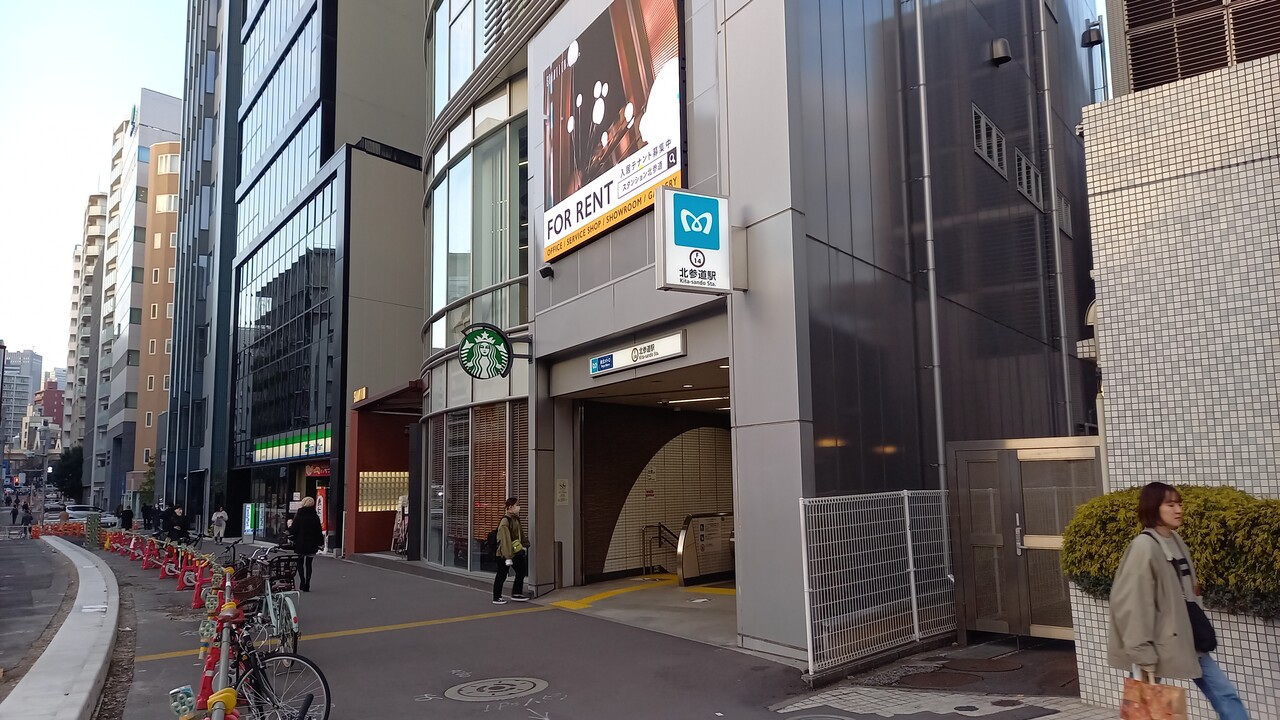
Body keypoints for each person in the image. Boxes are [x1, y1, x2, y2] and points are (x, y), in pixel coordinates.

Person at [1109, 482, 1250, 719]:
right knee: (1144, 707)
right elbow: (1132, 605)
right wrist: (1141, 652)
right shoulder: (1143, 547)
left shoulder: (1175, 540)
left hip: (1187, 637)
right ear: (1154, 507)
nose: (1178, 510)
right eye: (1170, 504)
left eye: (1179, 504)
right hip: (1155, 643)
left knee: (1225, 695)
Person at [492, 497, 529, 605]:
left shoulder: (516, 519)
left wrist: (526, 544)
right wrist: (508, 557)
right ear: (510, 507)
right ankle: (496, 597)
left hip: (515, 551)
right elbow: (505, 539)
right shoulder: (505, 520)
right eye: (517, 505)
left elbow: (520, 534)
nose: (519, 507)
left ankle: (517, 593)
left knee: (521, 571)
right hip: (504, 553)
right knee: (502, 574)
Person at [290, 498, 324, 592]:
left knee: (300, 562)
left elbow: (293, 530)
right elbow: (318, 531)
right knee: (309, 564)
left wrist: (290, 530)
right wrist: (320, 543)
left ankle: (302, 580)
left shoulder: (299, 515)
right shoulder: (315, 516)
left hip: (300, 543)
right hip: (312, 544)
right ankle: (308, 582)